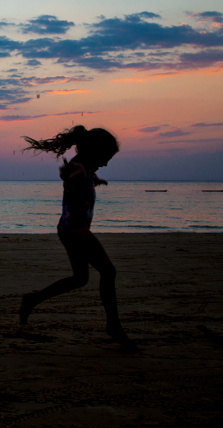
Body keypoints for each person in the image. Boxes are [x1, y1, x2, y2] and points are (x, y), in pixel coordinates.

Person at [19, 125, 136, 350]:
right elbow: (74, 174)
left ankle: (32, 300)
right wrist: (69, 174)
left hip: (67, 229)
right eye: (105, 157)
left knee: (80, 278)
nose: (106, 163)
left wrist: (96, 180)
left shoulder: (86, 168)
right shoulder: (78, 167)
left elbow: (86, 174)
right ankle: (113, 325)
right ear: (93, 151)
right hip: (77, 231)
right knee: (108, 272)